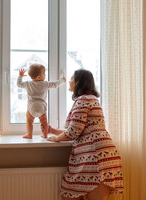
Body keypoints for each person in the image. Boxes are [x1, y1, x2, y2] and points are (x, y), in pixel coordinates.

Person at [48, 69, 123, 200]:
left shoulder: (83, 100)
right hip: (100, 155)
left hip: (95, 158)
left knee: (68, 195)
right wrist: (53, 130)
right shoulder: (91, 99)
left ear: (79, 83)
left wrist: (55, 138)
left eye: (72, 79)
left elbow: (73, 132)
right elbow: (81, 129)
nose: (69, 82)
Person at [17, 64, 66, 139]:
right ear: (38, 77)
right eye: (44, 73)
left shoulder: (27, 84)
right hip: (42, 106)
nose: (45, 75)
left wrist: (20, 76)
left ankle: (29, 135)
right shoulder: (45, 84)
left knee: (29, 121)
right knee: (44, 122)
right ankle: (45, 134)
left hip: (31, 107)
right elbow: (55, 84)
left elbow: (19, 84)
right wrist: (63, 80)